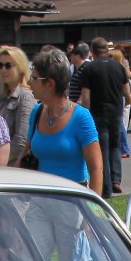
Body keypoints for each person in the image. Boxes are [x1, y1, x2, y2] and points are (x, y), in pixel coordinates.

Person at [27, 47, 103, 194]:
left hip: (73, 198)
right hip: (40, 197)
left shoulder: (81, 117)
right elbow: (25, 154)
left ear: (49, 84)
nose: (29, 82)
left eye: (34, 78)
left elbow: (96, 168)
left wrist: (93, 206)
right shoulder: (36, 112)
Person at [78, 37, 131, 192]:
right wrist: (125, 105)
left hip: (98, 113)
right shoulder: (118, 66)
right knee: (115, 146)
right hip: (115, 112)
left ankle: (106, 186)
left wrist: (86, 112)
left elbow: (86, 97)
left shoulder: (89, 68)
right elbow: (127, 94)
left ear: (92, 51)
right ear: (107, 50)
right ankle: (116, 180)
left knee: (102, 148)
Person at [0, 45, 36, 167]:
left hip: (14, 168)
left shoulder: (26, 97)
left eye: (8, 65)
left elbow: (22, 141)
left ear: (21, 68)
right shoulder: (3, 97)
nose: (3, 70)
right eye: (0, 65)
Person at [110, 46, 131, 160]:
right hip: (119, 97)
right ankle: (121, 148)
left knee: (120, 124)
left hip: (119, 98)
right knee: (119, 123)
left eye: (111, 57)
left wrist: (128, 99)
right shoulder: (120, 69)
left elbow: (125, 88)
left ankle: (124, 148)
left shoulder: (120, 70)